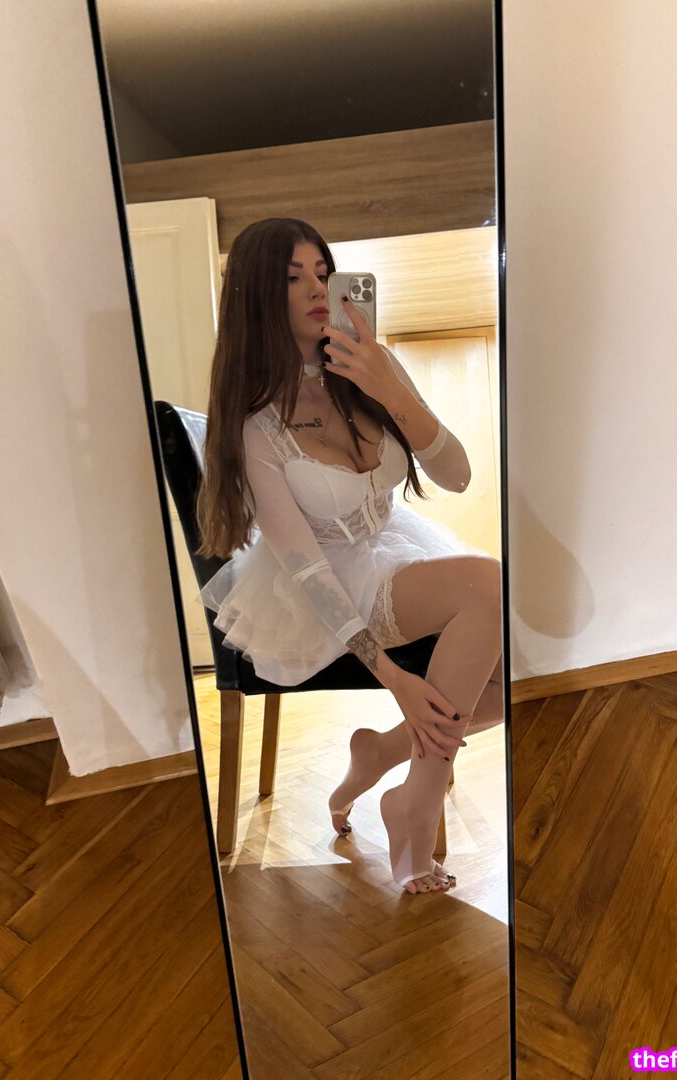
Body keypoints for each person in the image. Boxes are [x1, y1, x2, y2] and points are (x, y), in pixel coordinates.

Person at [197, 218, 503, 894]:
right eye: (293, 277)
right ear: (257, 296)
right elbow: (307, 568)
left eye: (322, 272)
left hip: (395, 546)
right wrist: (393, 678)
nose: (317, 289)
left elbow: (456, 476)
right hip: (320, 583)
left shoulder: (368, 372)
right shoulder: (257, 427)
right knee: (491, 587)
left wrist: (391, 388)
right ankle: (416, 803)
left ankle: (381, 753)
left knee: (522, 662)